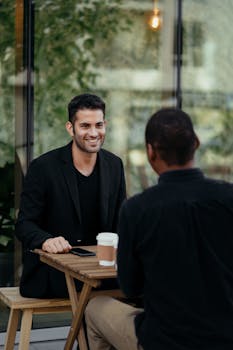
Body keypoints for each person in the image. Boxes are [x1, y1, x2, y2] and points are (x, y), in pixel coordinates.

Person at [85, 108, 233, 350]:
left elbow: (130, 286)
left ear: (150, 152)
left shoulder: (137, 210)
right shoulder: (229, 198)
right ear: (196, 143)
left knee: (95, 307)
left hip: (164, 340)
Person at [15, 93, 126, 298]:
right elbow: (24, 225)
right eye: (85, 126)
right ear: (70, 128)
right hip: (55, 273)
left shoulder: (114, 165)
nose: (94, 133)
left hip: (102, 272)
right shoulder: (43, 167)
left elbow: (121, 222)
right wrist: (46, 240)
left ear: (105, 125)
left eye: (99, 125)